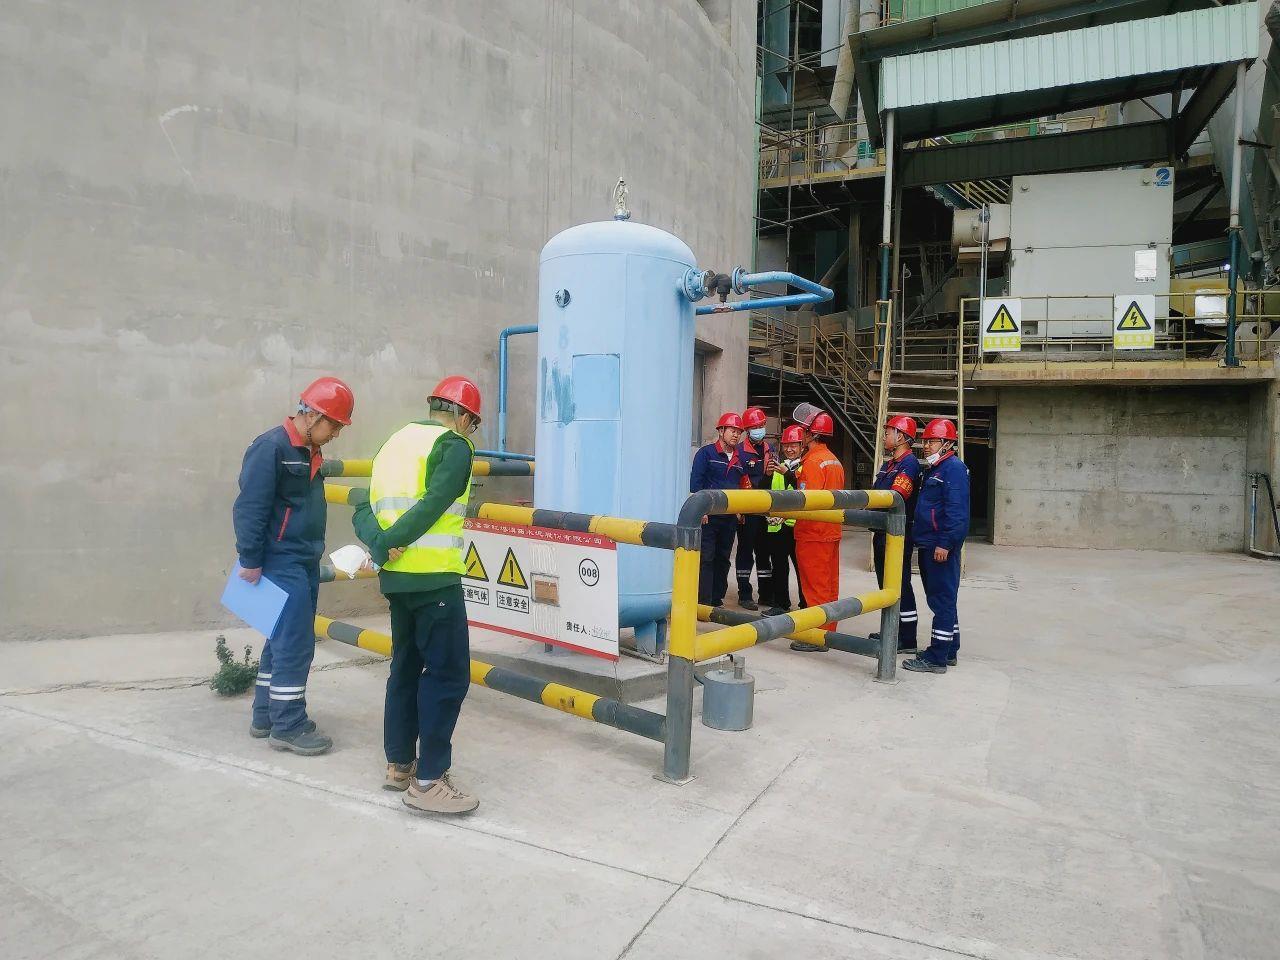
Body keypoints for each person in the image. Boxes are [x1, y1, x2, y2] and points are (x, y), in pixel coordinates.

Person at [352, 376, 482, 814]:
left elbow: (363, 505)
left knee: (405, 668)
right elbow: (435, 503)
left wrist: (379, 544)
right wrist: (392, 541)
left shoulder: (393, 443)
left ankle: (399, 765)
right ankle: (429, 782)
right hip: (435, 580)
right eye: (472, 423)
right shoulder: (454, 446)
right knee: (447, 676)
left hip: (397, 582)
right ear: (462, 416)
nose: (470, 431)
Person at [234, 376, 355, 756]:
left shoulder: (306, 450)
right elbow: (249, 508)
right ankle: (289, 725)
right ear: (314, 415)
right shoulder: (272, 447)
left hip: (303, 558)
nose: (336, 433)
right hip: (281, 559)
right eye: (334, 425)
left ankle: (266, 715)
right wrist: (250, 560)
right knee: (297, 643)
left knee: (279, 638)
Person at [903, 418, 970, 675]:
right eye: (926, 441)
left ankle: (937, 657)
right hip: (929, 543)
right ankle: (949, 649)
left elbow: (957, 512)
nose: (926, 446)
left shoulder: (953, 469)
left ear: (947, 444)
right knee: (943, 600)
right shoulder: (935, 469)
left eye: (932, 441)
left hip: (939, 547)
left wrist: (946, 543)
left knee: (941, 600)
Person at [789, 409, 845, 651]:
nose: (801, 435)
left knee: (814, 588)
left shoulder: (812, 462)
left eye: (804, 431)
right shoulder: (834, 460)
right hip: (831, 530)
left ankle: (816, 636)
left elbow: (806, 500)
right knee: (829, 586)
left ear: (812, 434)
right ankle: (828, 631)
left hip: (812, 533)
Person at [871, 415, 921, 653]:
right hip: (882, 531)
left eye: (888, 432)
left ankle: (907, 638)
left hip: (898, 534)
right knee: (885, 584)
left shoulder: (909, 464)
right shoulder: (889, 464)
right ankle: (890, 630)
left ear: (900, 436)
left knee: (899, 583)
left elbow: (896, 496)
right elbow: (875, 492)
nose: (884, 437)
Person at [690, 412, 746, 608]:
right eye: (732, 430)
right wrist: (701, 510)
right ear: (721, 431)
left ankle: (716, 598)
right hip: (709, 516)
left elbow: (742, 485)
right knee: (706, 557)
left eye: (739, 432)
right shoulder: (706, 454)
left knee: (723, 558)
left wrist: (739, 510)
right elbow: (696, 483)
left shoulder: (740, 458)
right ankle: (703, 601)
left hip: (729, 518)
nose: (736, 435)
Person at [735, 406, 776, 610]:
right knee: (745, 551)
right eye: (754, 427)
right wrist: (739, 509)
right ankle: (744, 594)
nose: (759, 430)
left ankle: (766, 594)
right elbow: (738, 481)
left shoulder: (771, 450)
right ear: (747, 430)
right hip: (747, 511)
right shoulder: (740, 451)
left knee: (764, 552)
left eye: (761, 425)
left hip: (765, 510)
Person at [762, 424, 806, 616]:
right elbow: (764, 490)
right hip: (778, 527)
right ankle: (781, 604)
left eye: (793, 445)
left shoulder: (805, 466)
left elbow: (801, 489)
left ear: (802, 446)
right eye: (786, 445)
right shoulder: (778, 466)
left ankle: (806, 604)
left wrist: (786, 473)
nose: (789, 449)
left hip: (798, 526)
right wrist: (767, 475)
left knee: (802, 569)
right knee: (779, 567)